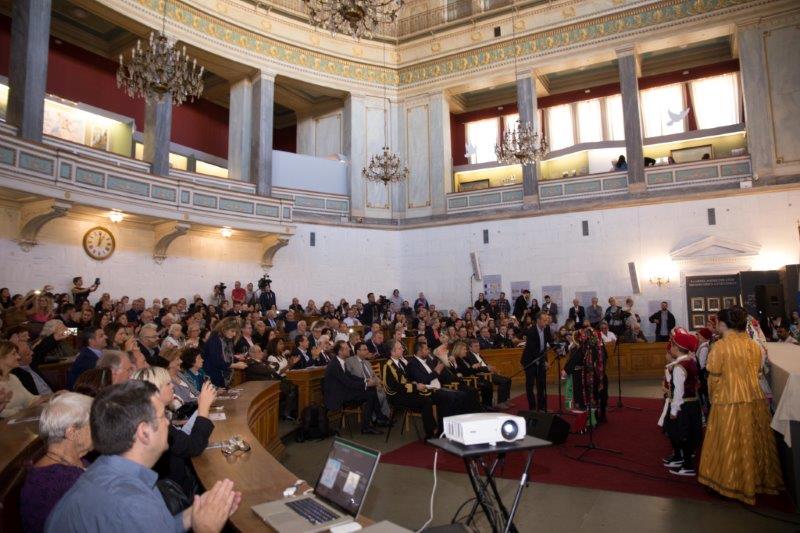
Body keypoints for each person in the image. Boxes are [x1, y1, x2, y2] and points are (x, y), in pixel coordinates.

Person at [45, 380, 240, 532]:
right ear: (144, 432)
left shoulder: (108, 471)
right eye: (163, 416)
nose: (168, 424)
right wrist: (206, 529)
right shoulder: (131, 501)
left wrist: (194, 513)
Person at [698, 306, 784, 505]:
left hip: (728, 400)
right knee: (752, 441)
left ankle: (729, 484)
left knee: (729, 442)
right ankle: (756, 480)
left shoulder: (720, 346)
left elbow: (713, 375)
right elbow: (758, 371)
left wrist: (712, 397)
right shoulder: (754, 345)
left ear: (723, 324)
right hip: (754, 398)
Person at [20, 392, 94, 533]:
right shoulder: (53, 483)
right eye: (92, 424)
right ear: (72, 432)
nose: (99, 429)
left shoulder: (76, 462)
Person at [659, 328, 703, 476]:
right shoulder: (689, 361)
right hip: (692, 404)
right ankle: (682, 460)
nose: (670, 347)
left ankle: (687, 465)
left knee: (682, 434)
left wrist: (673, 410)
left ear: (677, 348)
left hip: (683, 405)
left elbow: (678, 391)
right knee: (687, 433)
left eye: (672, 345)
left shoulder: (679, 367)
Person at [322, 341, 383, 435]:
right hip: (338, 396)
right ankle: (368, 426)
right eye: (346, 348)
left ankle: (378, 419)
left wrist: (365, 380)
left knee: (371, 390)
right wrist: (366, 384)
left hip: (344, 391)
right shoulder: (335, 365)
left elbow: (350, 376)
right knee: (370, 394)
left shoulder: (340, 362)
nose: (350, 349)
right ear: (340, 352)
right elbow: (348, 383)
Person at [383, 341, 437, 439]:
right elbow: (394, 387)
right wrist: (415, 387)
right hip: (396, 397)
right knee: (426, 401)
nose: (403, 349)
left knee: (431, 396)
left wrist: (414, 383)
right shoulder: (388, 366)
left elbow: (406, 378)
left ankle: (434, 428)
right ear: (393, 352)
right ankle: (430, 433)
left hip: (406, 393)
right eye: (400, 348)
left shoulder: (401, 363)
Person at [0, 340, 48, 418]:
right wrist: (24, 410)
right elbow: (2, 414)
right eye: (13, 354)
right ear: (1, 358)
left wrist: (53, 396)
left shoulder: (13, 378)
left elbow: (30, 400)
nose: (18, 357)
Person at [346, 342, 390, 420]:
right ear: (358, 351)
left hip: (372, 386)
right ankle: (375, 418)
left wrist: (379, 382)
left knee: (384, 392)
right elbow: (349, 378)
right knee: (378, 396)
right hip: (361, 387)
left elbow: (374, 375)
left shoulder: (367, 362)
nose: (367, 351)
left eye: (367, 349)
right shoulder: (350, 361)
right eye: (365, 350)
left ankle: (385, 417)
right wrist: (367, 382)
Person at [465, 339, 511, 407]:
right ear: (470, 348)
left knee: (508, 379)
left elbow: (484, 365)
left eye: (478, 346)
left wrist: (490, 367)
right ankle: (500, 402)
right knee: (503, 381)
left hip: (488, 373)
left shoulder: (479, 355)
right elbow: (475, 368)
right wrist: (487, 368)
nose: (478, 347)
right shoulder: (469, 356)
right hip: (482, 375)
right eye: (475, 346)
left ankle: (505, 400)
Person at [522, 312, 552, 412]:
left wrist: (559, 349)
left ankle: (542, 407)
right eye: (544, 320)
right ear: (538, 320)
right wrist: (543, 361)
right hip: (529, 361)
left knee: (541, 384)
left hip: (540, 359)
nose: (546, 322)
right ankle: (532, 408)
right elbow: (533, 349)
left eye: (547, 320)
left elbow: (548, 344)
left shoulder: (547, 329)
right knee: (530, 385)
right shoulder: (531, 331)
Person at [202, 317, 241, 387]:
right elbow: (216, 361)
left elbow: (228, 357)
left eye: (236, 332)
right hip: (214, 376)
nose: (234, 334)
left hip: (223, 376)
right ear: (224, 328)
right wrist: (234, 365)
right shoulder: (214, 340)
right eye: (232, 331)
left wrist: (237, 360)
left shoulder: (228, 340)